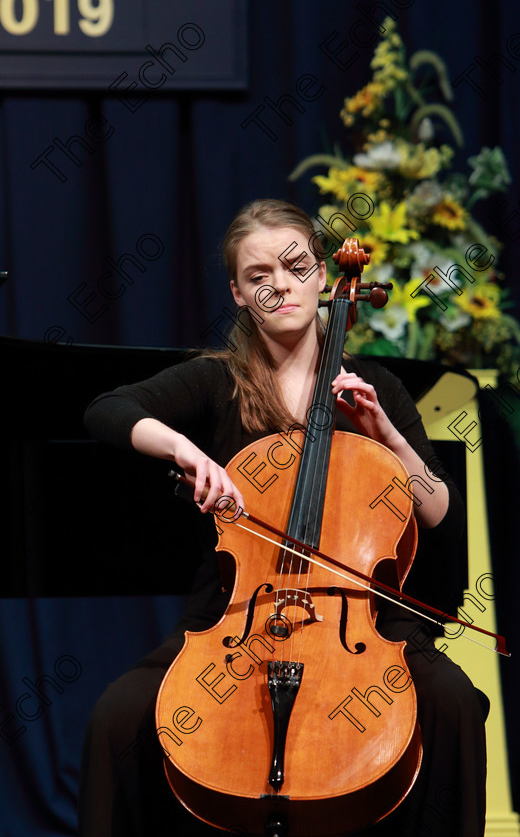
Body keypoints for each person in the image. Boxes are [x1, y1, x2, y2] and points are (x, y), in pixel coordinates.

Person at [78, 199, 488, 837]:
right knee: (116, 715)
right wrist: (187, 452)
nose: (280, 284)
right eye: (258, 274)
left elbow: (437, 511)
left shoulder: (374, 383)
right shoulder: (218, 382)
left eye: (295, 266)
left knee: (457, 705)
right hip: (234, 614)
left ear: (323, 275)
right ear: (239, 293)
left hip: (363, 619)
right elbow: (107, 409)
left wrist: (385, 434)